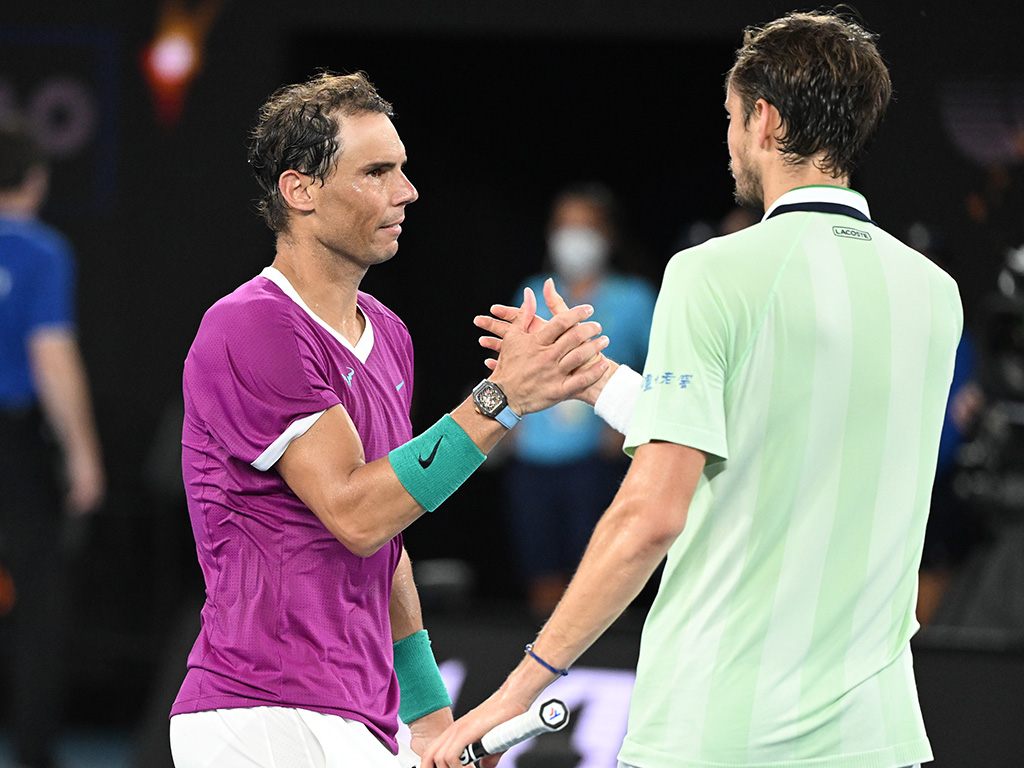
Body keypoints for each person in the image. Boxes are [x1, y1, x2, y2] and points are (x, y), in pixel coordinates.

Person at [423, 10, 961, 768]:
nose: (731, 138)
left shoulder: (712, 273)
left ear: (765, 120)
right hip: (880, 741)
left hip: (719, 735)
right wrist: (602, 381)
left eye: (733, 118)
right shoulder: (933, 292)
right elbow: (772, 444)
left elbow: (650, 514)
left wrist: (518, 688)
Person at [167, 72, 609, 768]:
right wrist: (502, 399)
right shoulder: (251, 326)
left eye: (402, 170)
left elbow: (388, 536)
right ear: (300, 191)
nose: (406, 192)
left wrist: (433, 720)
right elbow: (357, 512)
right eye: (377, 172)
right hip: (259, 715)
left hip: (360, 716)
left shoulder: (389, 334)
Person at [0, 118, 106, 768]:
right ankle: (35, 754)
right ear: (35, 180)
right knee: (38, 604)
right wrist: (83, 456)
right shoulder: (40, 252)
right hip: (13, 449)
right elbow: (53, 358)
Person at [506, 183, 656, 616]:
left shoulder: (634, 299)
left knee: (598, 578)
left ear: (607, 234)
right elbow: (510, 365)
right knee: (542, 575)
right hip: (533, 463)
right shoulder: (533, 290)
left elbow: (664, 367)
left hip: (597, 464)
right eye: (564, 226)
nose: (573, 237)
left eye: (585, 227)